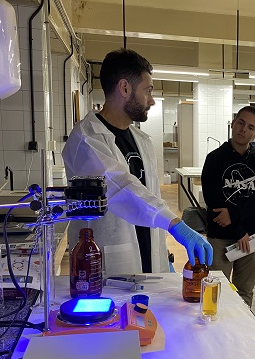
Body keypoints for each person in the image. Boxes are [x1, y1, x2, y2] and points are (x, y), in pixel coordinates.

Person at [62, 48, 212, 276]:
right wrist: (174, 224)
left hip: (148, 254)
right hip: (110, 259)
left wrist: (163, 256)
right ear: (124, 88)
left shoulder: (141, 140)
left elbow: (150, 195)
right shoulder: (86, 140)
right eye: (148, 91)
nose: (151, 100)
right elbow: (120, 186)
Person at [201, 106, 255, 306]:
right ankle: (215, 336)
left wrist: (235, 218)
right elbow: (214, 201)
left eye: (250, 127)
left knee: (244, 294)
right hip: (220, 237)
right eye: (241, 123)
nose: (243, 129)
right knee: (215, 292)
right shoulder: (214, 159)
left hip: (253, 239)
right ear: (233, 123)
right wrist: (239, 229)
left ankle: (242, 337)